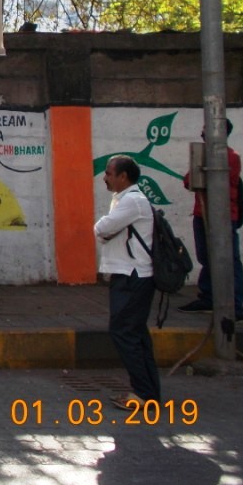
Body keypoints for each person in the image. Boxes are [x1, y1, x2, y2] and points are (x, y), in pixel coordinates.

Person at [94, 154, 161, 409]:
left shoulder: (132, 201)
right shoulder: (125, 200)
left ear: (123, 176)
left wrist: (103, 230)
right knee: (136, 334)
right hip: (132, 275)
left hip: (133, 276)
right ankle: (148, 392)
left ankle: (143, 393)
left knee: (123, 332)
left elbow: (102, 229)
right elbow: (106, 231)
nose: (105, 177)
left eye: (109, 173)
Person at [180, 120, 243, 322]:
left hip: (224, 215)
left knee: (230, 259)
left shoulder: (230, 157)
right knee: (206, 257)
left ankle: (235, 305)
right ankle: (208, 297)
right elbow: (189, 180)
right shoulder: (203, 154)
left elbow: (213, 181)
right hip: (202, 214)